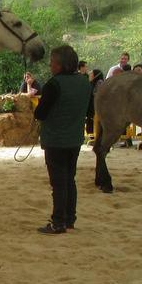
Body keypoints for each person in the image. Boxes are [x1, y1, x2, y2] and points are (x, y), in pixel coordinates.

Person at [32, 44, 91, 235]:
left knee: (58, 182)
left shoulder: (54, 84)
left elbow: (40, 113)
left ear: (59, 65)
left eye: (52, 62)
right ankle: (69, 219)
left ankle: (57, 221)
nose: (50, 65)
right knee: (69, 179)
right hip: (74, 139)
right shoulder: (84, 83)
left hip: (56, 140)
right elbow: (90, 111)